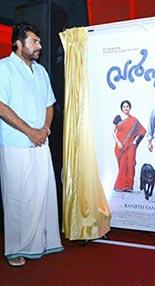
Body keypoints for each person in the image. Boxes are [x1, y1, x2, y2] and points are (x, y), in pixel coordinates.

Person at [0, 22, 63, 267]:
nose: (40, 45)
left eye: (39, 41)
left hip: (40, 141)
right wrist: (30, 132)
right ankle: (15, 249)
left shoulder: (41, 71)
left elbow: (49, 104)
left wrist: (44, 130)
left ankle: (41, 243)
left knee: (42, 192)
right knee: (17, 197)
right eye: (34, 41)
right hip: (15, 143)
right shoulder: (4, 68)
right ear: (18, 43)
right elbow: (2, 107)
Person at [112, 100, 146, 192]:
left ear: (130, 108)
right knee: (122, 165)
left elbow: (141, 131)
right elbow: (112, 131)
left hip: (130, 146)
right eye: (124, 107)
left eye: (127, 106)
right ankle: (120, 186)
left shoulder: (134, 120)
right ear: (121, 108)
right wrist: (118, 142)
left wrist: (135, 141)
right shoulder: (118, 118)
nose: (126, 108)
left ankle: (128, 186)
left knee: (131, 164)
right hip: (120, 146)